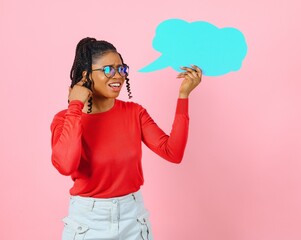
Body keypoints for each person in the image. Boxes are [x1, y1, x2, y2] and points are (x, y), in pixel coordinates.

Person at [50, 37, 202, 240]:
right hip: (88, 223)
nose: (118, 76)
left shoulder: (134, 113)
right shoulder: (66, 118)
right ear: (86, 76)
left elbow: (172, 152)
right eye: (108, 70)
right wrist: (75, 106)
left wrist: (183, 95)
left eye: (122, 69)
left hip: (133, 219)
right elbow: (65, 165)